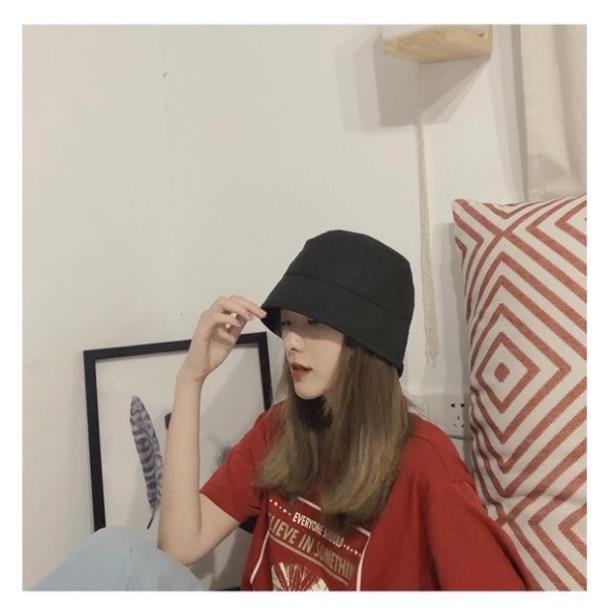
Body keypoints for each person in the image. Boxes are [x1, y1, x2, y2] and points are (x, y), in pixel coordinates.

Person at [32, 229, 537, 591]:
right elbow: (180, 545)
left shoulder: (425, 465)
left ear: (367, 340)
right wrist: (191, 379)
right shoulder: (281, 431)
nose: (292, 341)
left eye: (313, 323)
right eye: (289, 324)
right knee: (115, 552)